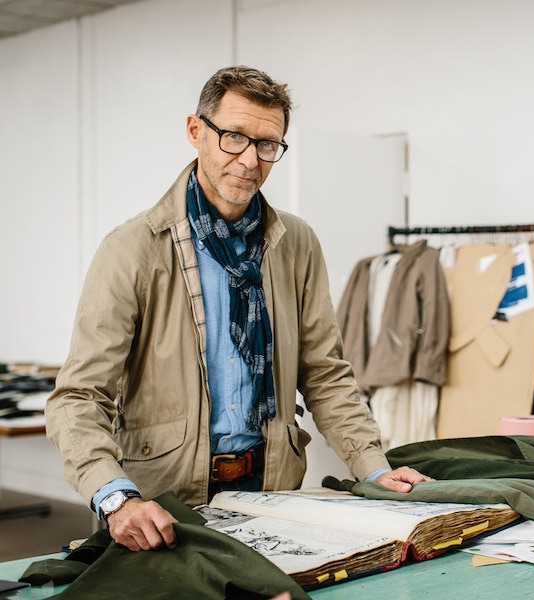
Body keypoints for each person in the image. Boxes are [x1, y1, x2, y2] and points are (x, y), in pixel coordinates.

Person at [45, 65, 430, 552]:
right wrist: (116, 498)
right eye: (233, 137)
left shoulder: (297, 244)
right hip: (162, 502)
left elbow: (325, 374)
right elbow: (78, 398)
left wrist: (374, 467)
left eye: (267, 144)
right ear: (195, 132)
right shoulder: (132, 249)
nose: (250, 159)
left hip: (272, 490)